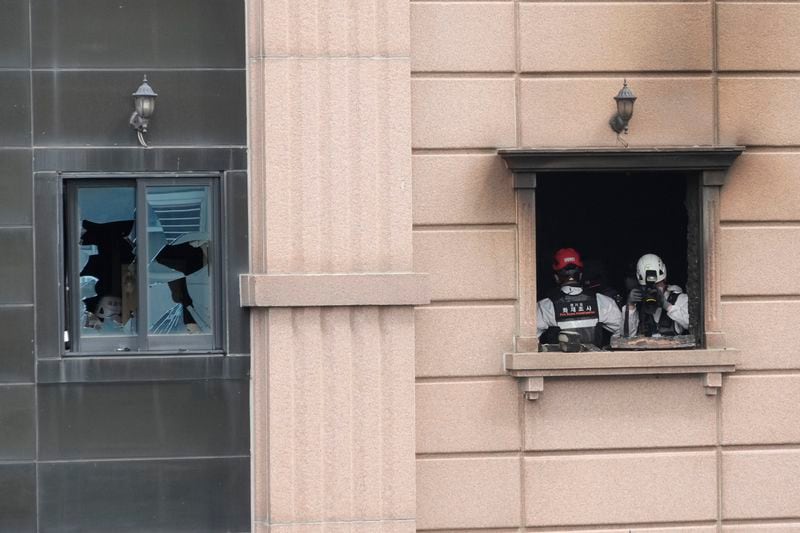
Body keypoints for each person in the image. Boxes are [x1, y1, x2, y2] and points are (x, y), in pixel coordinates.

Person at [537, 248, 623, 348]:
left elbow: (529, 340)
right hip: (595, 362)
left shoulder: (544, 306)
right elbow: (624, 333)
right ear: (581, 275)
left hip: (560, 362)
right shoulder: (602, 301)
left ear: (556, 277)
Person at [622, 253, 689, 337]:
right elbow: (627, 336)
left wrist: (667, 306)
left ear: (664, 279)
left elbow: (691, 324)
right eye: (647, 286)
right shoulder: (638, 304)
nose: (652, 289)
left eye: (657, 284)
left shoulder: (679, 299)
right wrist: (630, 306)